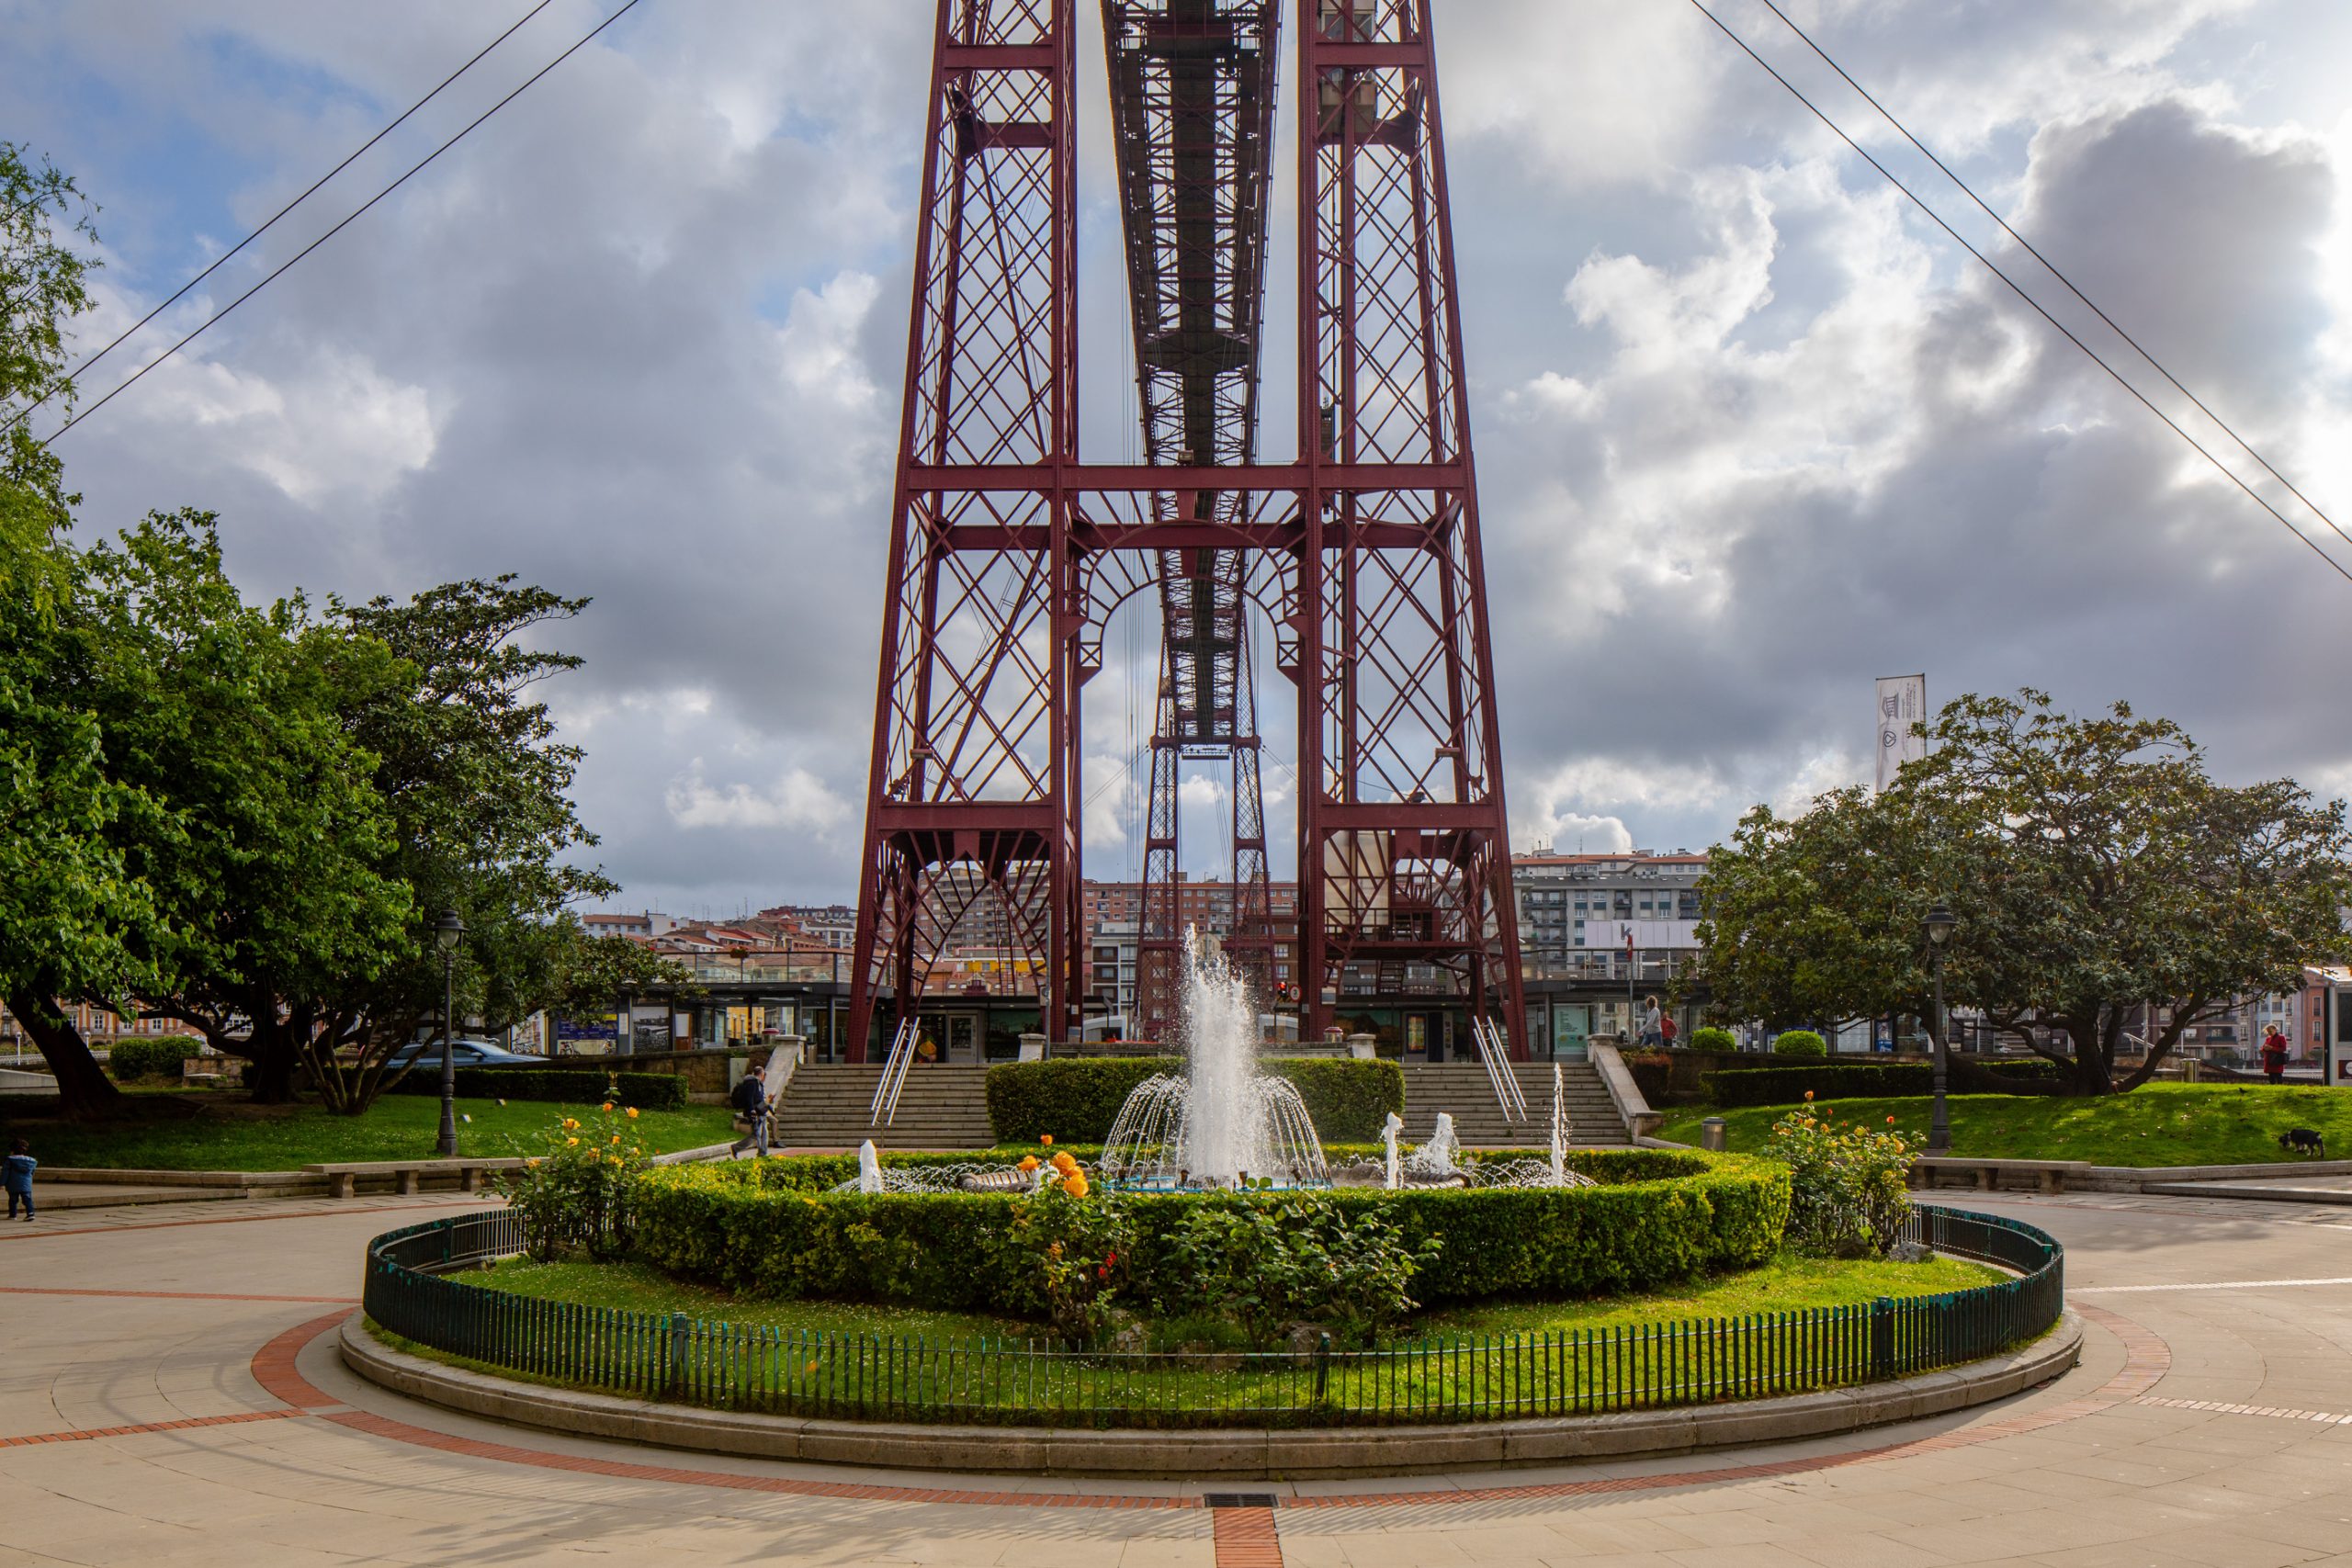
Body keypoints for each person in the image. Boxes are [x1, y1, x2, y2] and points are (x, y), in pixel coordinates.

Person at [729, 1062, 770, 1158]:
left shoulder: (757, 1083)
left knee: (763, 1133)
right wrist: (752, 1110)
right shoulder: (752, 1083)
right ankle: (736, 1148)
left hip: (761, 1111)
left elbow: (758, 1098)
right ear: (761, 1074)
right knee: (756, 1134)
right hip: (755, 1112)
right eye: (763, 1074)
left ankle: (763, 1152)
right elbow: (749, 1098)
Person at [4, 1138, 34, 1222]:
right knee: (27, 1199)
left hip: (13, 1184)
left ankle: (13, 1215)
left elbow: (5, 1173)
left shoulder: (9, 1160)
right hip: (26, 1185)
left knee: (13, 1200)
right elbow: (32, 1173)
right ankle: (30, 1214)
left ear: (12, 1150)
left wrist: (2, 1183)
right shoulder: (32, 1161)